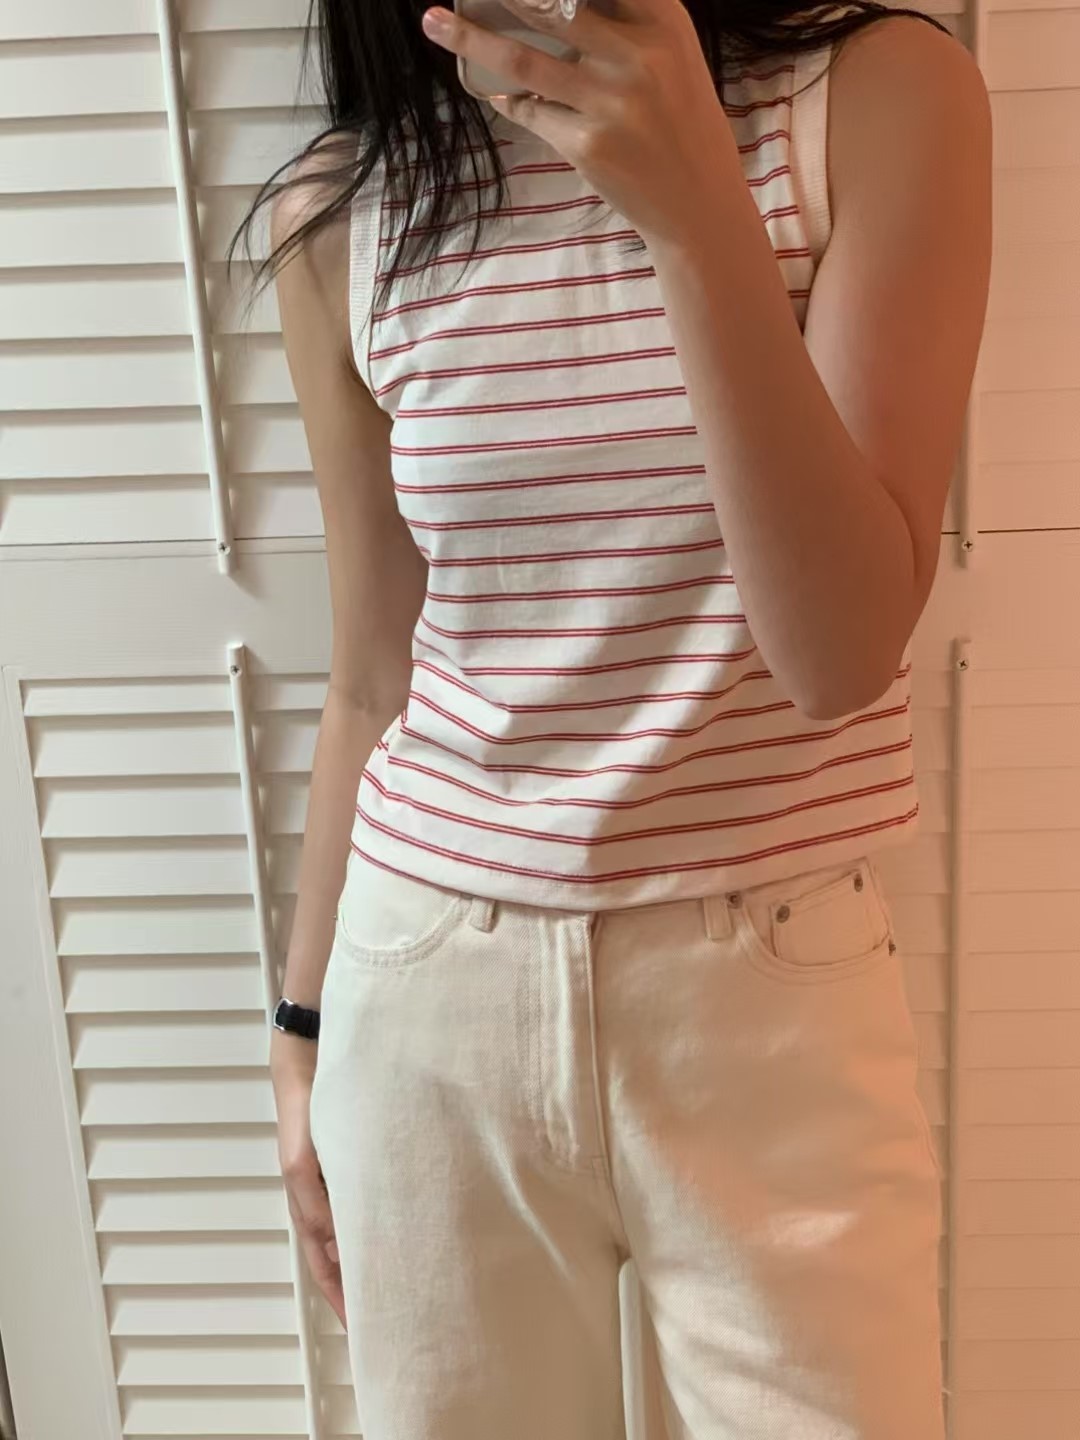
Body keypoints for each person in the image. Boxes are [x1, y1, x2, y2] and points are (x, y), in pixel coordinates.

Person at [232, 0, 990, 1434]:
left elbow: (836, 655)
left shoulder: (880, 99)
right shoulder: (348, 210)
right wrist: (299, 1029)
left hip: (771, 999)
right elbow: (372, 673)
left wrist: (696, 212)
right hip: (427, 990)